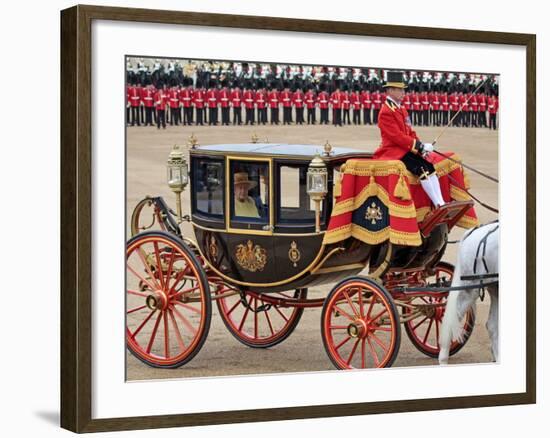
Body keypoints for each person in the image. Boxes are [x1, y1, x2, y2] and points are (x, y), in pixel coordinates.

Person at [374, 71, 446, 208]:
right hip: (393, 151)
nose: (403, 92)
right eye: (400, 89)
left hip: (404, 149)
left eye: (403, 89)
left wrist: (422, 147)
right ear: (390, 91)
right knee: (422, 169)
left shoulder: (401, 108)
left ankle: (441, 202)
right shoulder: (386, 111)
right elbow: (397, 137)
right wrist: (418, 146)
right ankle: (438, 204)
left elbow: (410, 132)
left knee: (429, 167)